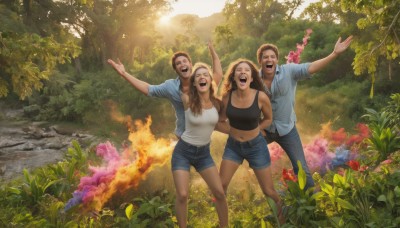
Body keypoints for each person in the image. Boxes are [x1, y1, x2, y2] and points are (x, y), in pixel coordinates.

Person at [256, 36, 353, 189]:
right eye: (265, 57)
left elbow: (311, 67)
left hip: (287, 129)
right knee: (245, 153)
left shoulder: (289, 71)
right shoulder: (253, 78)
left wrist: (334, 54)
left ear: (276, 60)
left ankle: (311, 206)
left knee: (301, 170)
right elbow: (243, 103)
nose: (269, 59)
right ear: (260, 61)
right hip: (264, 130)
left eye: (272, 57)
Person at [107, 41, 223, 138]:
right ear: (176, 69)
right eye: (178, 63)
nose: (182, 64)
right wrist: (124, 74)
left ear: (190, 64)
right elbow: (148, 89)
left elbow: (217, 74)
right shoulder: (170, 87)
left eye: (184, 61)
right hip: (184, 138)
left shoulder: (203, 82)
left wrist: (213, 52)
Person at [219, 59, 284, 223]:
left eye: (246, 70)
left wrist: (257, 130)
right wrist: (232, 131)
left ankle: (283, 221)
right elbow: (220, 121)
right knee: (220, 188)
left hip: (256, 147)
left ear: (251, 77)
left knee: (269, 191)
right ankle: (223, 225)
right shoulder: (227, 98)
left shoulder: (261, 97)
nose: (242, 72)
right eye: (238, 70)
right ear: (233, 77)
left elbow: (268, 119)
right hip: (233, 147)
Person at [173, 63, 228, 227]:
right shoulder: (187, 99)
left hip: (203, 154)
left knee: (219, 193)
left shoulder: (217, 104)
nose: (202, 77)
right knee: (182, 194)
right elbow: (181, 80)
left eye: (205, 75)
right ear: (194, 83)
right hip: (183, 152)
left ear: (211, 81)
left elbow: (221, 124)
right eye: (198, 76)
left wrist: (246, 132)